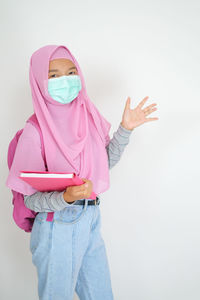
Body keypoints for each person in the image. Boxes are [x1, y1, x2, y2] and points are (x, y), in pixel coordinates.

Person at [6, 44, 158, 300]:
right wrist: (64, 198)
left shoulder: (87, 117)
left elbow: (103, 164)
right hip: (57, 225)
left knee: (101, 295)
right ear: (39, 81)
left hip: (91, 217)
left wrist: (126, 128)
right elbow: (30, 199)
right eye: (53, 76)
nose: (65, 81)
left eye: (71, 72)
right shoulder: (35, 131)